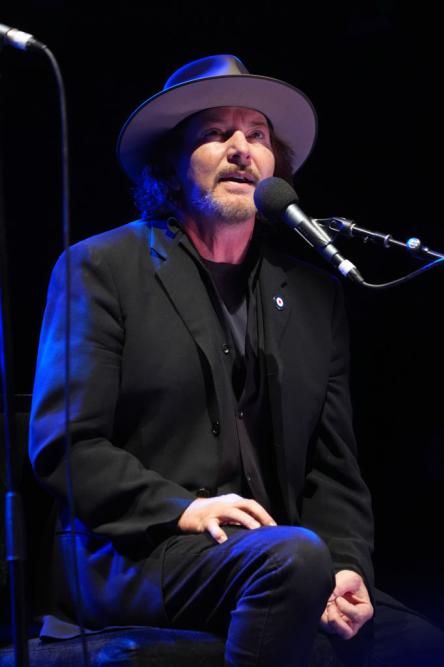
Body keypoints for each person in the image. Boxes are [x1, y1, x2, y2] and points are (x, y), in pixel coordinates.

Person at [29, 54, 444, 666]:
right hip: (146, 550)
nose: (241, 149)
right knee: (293, 559)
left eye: (256, 135)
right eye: (216, 133)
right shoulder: (101, 268)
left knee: (420, 644)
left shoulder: (312, 292)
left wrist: (347, 564)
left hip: (279, 559)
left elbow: (333, 467)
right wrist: (185, 509)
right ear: (171, 165)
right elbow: (66, 444)